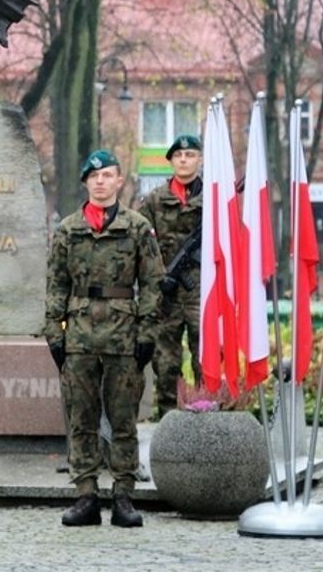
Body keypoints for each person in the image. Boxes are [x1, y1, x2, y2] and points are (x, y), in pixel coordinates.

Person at [44, 150, 164, 528]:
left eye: (107, 175)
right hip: (79, 334)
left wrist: (147, 333)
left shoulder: (138, 228)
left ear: (118, 181)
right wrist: (54, 332)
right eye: (93, 177)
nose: (100, 182)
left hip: (122, 335)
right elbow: (56, 284)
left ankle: (124, 497)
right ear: (86, 183)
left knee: (123, 418)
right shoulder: (67, 229)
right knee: (81, 417)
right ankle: (86, 496)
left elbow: (153, 284)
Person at [137, 133, 203, 418]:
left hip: (203, 291)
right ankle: (168, 420)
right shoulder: (154, 200)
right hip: (167, 293)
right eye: (178, 156)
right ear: (171, 161)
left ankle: (208, 416)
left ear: (199, 160)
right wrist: (156, 279)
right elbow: (141, 244)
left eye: (190, 155)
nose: (184, 160)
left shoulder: (213, 200)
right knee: (165, 362)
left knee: (207, 358)